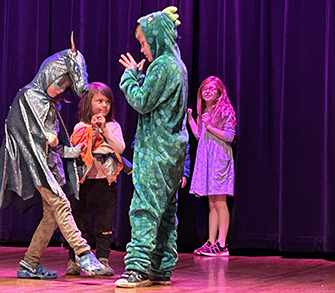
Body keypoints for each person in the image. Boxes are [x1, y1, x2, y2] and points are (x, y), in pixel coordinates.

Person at [0, 36, 105, 278]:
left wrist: (73, 151)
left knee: (51, 216)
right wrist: (44, 137)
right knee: (61, 205)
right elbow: (20, 131)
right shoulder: (29, 96)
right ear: (48, 73)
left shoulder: (49, 103)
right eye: (59, 83)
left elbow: (55, 145)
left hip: (49, 167)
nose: (61, 89)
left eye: (65, 86)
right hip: (36, 168)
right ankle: (84, 254)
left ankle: (30, 263)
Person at [116, 6, 189, 288]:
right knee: (167, 212)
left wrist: (130, 77)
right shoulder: (177, 66)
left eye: (145, 42)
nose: (143, 50)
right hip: (173, 151)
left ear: (157, 38)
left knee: (144, 209)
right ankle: (160, 267)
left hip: (156, 151)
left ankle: (136, 269)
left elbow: (143, 101)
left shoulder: (163, 65)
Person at [64, 81, 126, 276]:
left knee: (104, 223)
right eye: (99, 101)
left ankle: (103, 259)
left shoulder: (113, 126)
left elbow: (120, 148)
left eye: (107, 101)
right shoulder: (80, 126)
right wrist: (92, 130)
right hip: (84, 183)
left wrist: (105, 130)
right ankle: (75, 259)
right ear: (87, 103)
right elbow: (78, 148)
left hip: (106, 182)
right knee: (79, 222)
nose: (104, 105)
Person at [187, 75, 237, 257]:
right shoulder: (204, 112)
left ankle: (222, 244)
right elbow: (200, 135)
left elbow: (230, 136)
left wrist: (209, 126)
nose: (207, 92)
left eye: (211, 89)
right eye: (204, 89)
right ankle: (211, 241)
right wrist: (192, 119)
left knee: (220, 200)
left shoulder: (225, 110)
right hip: (205, 158)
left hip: (219, 158)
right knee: (211, 202)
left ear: (219, 93)